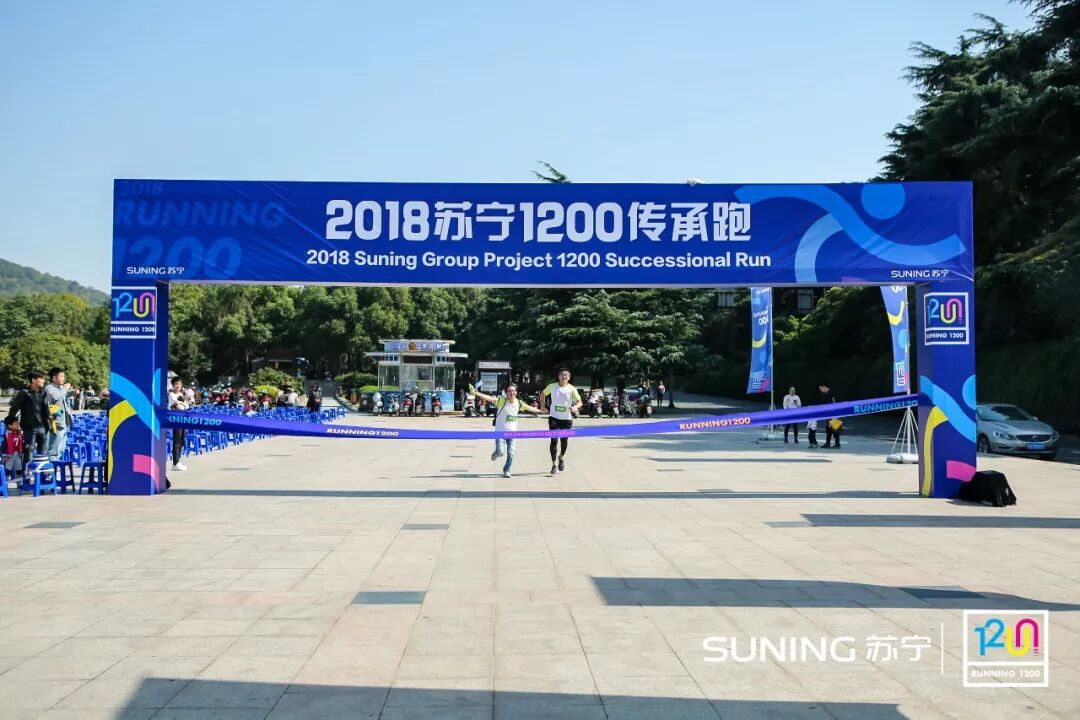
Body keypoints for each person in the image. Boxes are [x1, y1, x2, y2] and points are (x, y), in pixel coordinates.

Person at [471, 383, 542, 478]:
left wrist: (541, 411)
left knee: (511, 453)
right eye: (509, 391)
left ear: (516, 392)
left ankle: (507, 470)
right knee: (501, 452)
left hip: (513, 433)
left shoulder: (519, 403)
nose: (512, 393)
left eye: (514, 391)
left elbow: (529, 408)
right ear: (506, 392)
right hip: (500, 432)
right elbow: (489, 398)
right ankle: (497, 453)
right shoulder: (502, 401)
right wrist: (477, 393)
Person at [539, 369, 583, 474]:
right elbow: (542, 394)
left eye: (566, 375)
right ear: (558, 376)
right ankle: (554, 464)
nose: (564, 376)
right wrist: (542, 406)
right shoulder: (552, 386)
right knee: (554, 440)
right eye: (562, 375)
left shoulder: (572, 389)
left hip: (566, 419)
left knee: (564, 441)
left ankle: (561, 457)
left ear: (569, 378)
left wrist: (575, 407)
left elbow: (580, 402)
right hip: (554, 417)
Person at [5, 371, 50, 467]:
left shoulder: (44, 393)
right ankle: (27, 473)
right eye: (41, 379)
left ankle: (41, 473)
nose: (43, 381)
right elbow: (14, 408)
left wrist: (48, 424)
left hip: (42, 427)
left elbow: (46, 410)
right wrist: (10, 423)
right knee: (28, 452)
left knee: (43, 454)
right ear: (33, 380)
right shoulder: (24, 393)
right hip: (29, 428)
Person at [44, 367, 74, 460]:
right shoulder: (49, 388)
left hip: (64, 421)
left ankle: (57, 465)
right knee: (54, 450)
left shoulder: (61, 388)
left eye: (64, 376)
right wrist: (65, 389)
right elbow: (55, 397)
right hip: (56, 423)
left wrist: (71, 392)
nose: (63, 378)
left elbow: (64, 398)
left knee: (61, 448)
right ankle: (52, 467)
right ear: (54, 378)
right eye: (61, 376)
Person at [168, 376, 188, 475]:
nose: (178, 386)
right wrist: (181, 403)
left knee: (181, 440)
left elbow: (186, 406)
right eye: (176, 384)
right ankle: (175, 463)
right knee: (177, 441)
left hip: (182, 419)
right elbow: (177, 404)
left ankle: (178, 462)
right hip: (175, 419)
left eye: (179, 384)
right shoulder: (171, 394)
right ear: (173, 385)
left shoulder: (180, 394)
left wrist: (182, 403)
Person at [819, 384, 842, 448]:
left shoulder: (831, 393)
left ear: (824, 387)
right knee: (828, 428)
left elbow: (834, 404)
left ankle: (837, 444)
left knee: (835, 428)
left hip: (834, 414)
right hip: (829, 414)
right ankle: (828, 443)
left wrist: (835, 415)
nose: (820, 390)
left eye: (820, 388)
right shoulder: (826, 394)